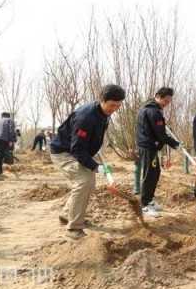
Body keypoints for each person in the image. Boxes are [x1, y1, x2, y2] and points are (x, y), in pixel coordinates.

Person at [50, 84, 125, 239]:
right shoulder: (86, 117)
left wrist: (95, 157)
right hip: (64, 152)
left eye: (118, 106)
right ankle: (74, 229)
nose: (114, 109)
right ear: (102, 100)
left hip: (78, 151)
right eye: (112, 105)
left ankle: (67, 214)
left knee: (89, 182)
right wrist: (95, 166)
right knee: (84, 181)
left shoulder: (103, 114)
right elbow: (77, 149)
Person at [136, 87, 181, 217]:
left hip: (151, 146)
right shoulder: (153, 111)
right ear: (157, 96)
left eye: (168, 101)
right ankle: (144, 205)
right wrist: (175, 144)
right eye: (165, 100)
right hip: (148, 147)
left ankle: (149, 200)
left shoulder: (152, 109)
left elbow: (159, 131)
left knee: (155, 173)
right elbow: (161, 134)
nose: (166, 103)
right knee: (149, 174)